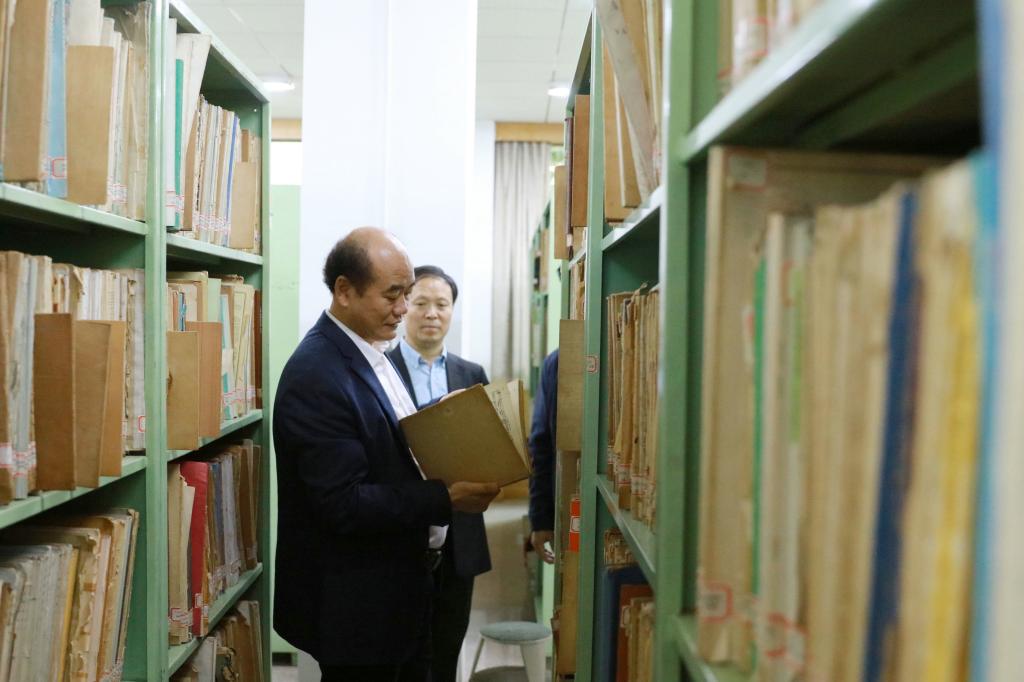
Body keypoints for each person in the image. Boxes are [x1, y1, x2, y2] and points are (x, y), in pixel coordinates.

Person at [273, 227, 500, 682]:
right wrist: (445, 498)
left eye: (406, 293)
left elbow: (380, 439)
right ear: (344, 291)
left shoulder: (368, 351)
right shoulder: (318, 373)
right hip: (360, 611)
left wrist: (439, 423)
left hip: (398, 595)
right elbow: (343, 502)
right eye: (393, 294)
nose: (403, 308)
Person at [386, 265, 490, 682]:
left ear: (452, 312)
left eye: (442, 305)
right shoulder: (381, 369)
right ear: (404, 306)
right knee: (402, 652)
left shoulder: (472, 375)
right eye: (421, 303)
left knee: (447, 645)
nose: (432, 313)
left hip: (459, 535)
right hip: (401, 530)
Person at [528, 349, 559, 564]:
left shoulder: (556, 361)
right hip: (569, 499)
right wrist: (541, 519)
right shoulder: (557, 362)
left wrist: (540, 519)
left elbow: (540, 443)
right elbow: (541, 444)